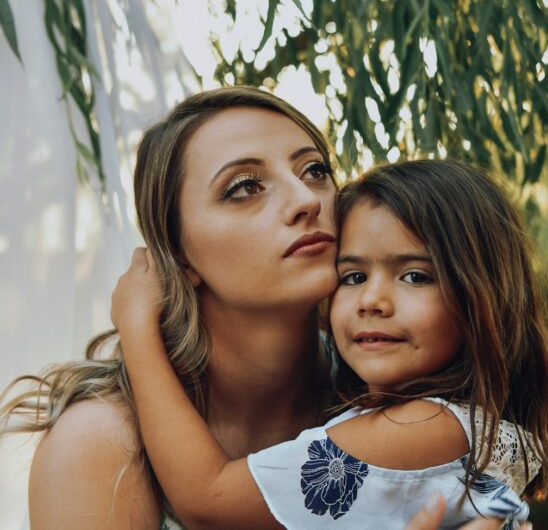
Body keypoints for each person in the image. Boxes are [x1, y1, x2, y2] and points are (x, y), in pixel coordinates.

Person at [0, 87, 485, 530]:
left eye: (315, 171)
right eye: (244, 187)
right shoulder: (104, 443)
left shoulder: (400, 392)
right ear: (179, 254)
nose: (305, 200)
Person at [112, 160, 548, 528]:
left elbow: (208, 500)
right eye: (353, 276)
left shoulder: (429, 425)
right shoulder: (446, 422)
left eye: (415, 276)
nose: (371, 301)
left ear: (486, 297)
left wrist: (138, 328)